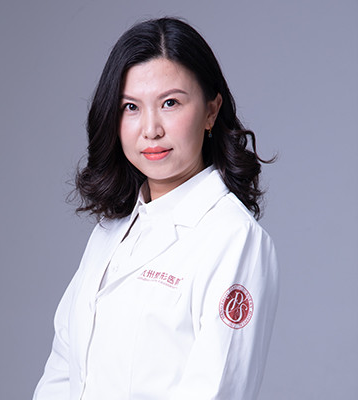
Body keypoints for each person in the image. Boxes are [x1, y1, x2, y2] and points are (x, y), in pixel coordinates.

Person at [33, 17, 279, 400]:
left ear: (211, 111)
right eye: (131, 107)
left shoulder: (233, 239)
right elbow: (63, 369)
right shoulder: (111, 230)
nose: (151, 129)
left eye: (170, 103)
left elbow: (215, 391)